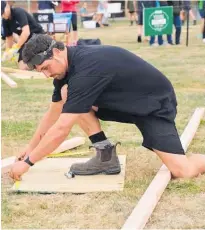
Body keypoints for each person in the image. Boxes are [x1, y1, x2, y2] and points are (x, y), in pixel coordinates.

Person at [9, 34, 205, 181]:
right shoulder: (65, 72)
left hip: (154, 105)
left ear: (58, 51)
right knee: (67, 96)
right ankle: (105, 156)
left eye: (46, 68)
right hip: (126, 101)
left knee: (182, 171)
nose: (46, 75)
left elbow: (61, 129)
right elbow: (53, 113)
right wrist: (30, 148)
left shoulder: (86, 70)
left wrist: (28, 164)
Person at [1, 1, 44, 70]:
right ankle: (37, 61)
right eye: (1, 14)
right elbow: (9, 38)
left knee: (37, 64)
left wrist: (15, 48)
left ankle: (43, 58)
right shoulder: (5, 21)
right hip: (26, 41)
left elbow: (26, 32)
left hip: (38, 36)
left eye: (3, 12)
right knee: (22, 67)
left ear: (7, 7)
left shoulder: (18, 12)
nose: (3, 15)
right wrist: (8, 52)